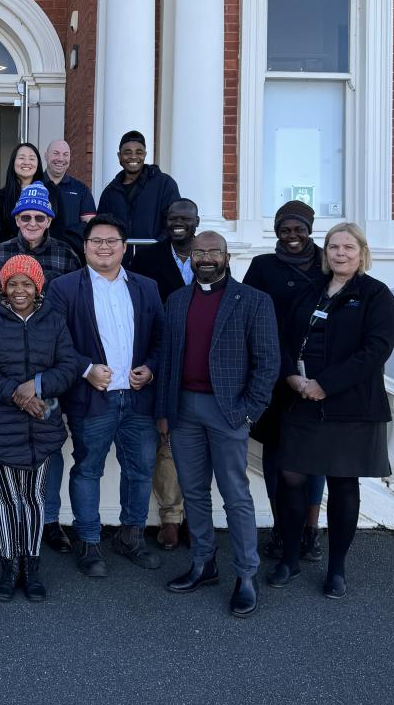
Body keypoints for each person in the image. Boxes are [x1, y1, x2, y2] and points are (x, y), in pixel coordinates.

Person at [267, 223, 394, 600]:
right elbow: (285, 339)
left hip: (350, 407)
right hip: (301, 401)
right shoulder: (311, 291)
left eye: (348, 247)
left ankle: (336, 569)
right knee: (290, 477)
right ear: (324, 253)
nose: (340, 253)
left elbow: (376, 350)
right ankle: (290, 558)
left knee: (343, 484)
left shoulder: (376, 295)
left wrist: (326, 384)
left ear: (362, 252)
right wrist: (292, 377)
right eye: (333, 247)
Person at [156, 231, 279, 618]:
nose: (205, 257)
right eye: (199, 252)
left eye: (213, 251)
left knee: (236, 496)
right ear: (190, 257)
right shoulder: (176, 300)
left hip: (227, 411)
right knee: (193, 493)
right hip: (183, 410)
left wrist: (247, 413)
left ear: (226, 256)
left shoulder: (253, 301)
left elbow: (268, 362)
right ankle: (203, 564)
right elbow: (166, 358)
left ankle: (246, 574)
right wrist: (164, 410)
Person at [45, 214, 164, 578]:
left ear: (124, 247)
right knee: (88, 470)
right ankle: (89, 540)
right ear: (84, 247)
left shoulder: (146, 286)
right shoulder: (64, 288)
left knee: (140, 471)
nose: (104, 247)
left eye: (112, 241)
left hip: (138, 398)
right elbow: (54, 341)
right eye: (96, 241)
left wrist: (152, 367)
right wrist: (86, 369)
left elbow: (162, 337)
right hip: (92, 398)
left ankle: (131, 535)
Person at [0, 255, 83, 602]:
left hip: (42, 424)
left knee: (33, 499)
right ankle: (9, 566)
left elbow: (68, 365)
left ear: (38, 287)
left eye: (27, 283)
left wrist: (38, 384)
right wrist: (17, 395)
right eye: (13, 283)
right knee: (7, 499)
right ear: (3, 287)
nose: (20, 289)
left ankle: (31, 567)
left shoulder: (54, 320)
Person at [243, 200, 329, 563]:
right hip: (274, 371)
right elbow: (247, 311)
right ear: (276, 230)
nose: (292, 236)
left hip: (317, 375)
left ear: (310, 228)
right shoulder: (263, 266)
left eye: (299, 228)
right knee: (276, 455)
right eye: (285, 229)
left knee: (315, 457)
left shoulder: (329, 262)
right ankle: (281, 530)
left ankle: (311, 529)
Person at [130, 197, 200, 550]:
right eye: (173, 218)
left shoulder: (209, 255)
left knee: (200, 446)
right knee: (167, 444)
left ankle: (196, 518)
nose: (178, 223)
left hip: (203, 364)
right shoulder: (148, 259)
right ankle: (171, 518)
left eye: (185, 218)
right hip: (164, 360)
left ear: (196, 221)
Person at [0, 181, 80, 295]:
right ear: (17, 220)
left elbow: (75, 297)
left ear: (48, 222)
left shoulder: (66, 254)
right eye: (26, 218)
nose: (32, 224)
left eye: (39, 218)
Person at [96, 130, 180, 256]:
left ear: (145, 155)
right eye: (127, 152)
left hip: (155, 260)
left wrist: (156, 247)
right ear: (119, 156)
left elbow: (174, 220)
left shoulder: (164, 184)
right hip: (119, 263)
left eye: (139, 152)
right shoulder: (110, 192)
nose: (133, 157)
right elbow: (101, 227)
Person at [0, 142, 64, 244]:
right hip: (11, 254)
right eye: (21, 158)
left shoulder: (52, 191)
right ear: (13, 162)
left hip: (46, 254)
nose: (27, 162)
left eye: (32, 158)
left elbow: (59, 228)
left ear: (38, 163)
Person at [43, 140, 96, 246]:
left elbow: (90, 226)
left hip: (72, 253)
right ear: (46, 156)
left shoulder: (81, 189)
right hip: (37, 252)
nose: (61, 159)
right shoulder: (34, 185)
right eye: (56, 153)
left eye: (65, 154)